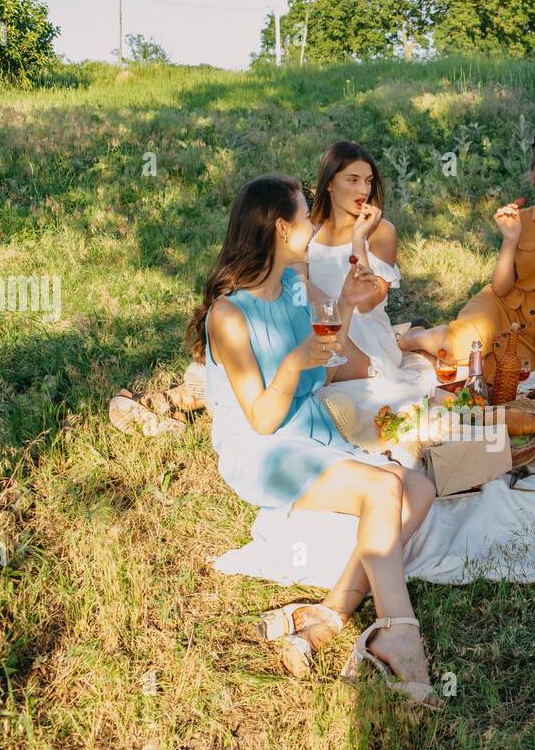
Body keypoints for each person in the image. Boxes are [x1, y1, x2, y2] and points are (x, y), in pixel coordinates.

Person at [187, 173, 440, 708]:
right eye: (305, 215)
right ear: (281, 228)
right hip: (264, 448)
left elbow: (327, 360)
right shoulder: (229, 315)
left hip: (308, 426)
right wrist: (293, 363)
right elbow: (261, 419)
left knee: (419, 489)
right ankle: (399, 631)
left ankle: (329, 614)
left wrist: (345, 304)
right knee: (382, 490)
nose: (314, 223)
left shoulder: (296, 286)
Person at [398, 134, 535, 384]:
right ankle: (412, 336)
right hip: (499, 307)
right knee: (460, 350)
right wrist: (510, 240)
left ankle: (437, 344)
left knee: (491, 375)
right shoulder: (522, 220)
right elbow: (500, 288)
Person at [306, 140, 419, 382]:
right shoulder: (311, 229)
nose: (363, 190)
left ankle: (410, 337)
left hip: (366, 339)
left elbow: (366, 304)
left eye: (368, 181)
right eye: (353, 180)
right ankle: (412, 334)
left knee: (313, 374)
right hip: (322, 329)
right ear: (329, 183)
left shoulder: (381, 232)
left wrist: (358, 239)